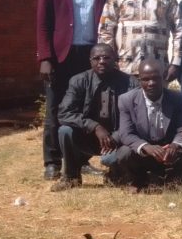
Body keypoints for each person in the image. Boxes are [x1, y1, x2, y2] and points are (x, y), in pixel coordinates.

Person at [36, 0, 108, 180]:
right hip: (61, 55)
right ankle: (52, 162)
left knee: (87, 108)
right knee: (55, 108)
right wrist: (45, 57)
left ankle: (79, 159)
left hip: (88, 55)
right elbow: (43, 23)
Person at [53, 43, 134, 192]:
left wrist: (115, 136)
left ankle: (116, 174)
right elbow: (64, 113)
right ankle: (71, 177)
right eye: (97, 58)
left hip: (118, 139)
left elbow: (134, 118)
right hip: (87, 137)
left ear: (115, 59)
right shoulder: (78, 81)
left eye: (106, 57)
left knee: (130, 142)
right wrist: (94, 126)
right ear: (90, 61)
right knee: (65, 131)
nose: (101, 61)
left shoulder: (129, 83)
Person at [98, 0, 182, 79]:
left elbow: (179, 31)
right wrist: (109, 61)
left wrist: (175, 63)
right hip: (124, 70)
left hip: (158, 71)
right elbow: (105, 31)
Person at [111, 59, 182, 191]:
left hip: (167, 152)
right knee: (124, 153)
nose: (151, 83)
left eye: (156, 78)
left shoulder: (176, 98)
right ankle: (137, 180)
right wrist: (146, 147)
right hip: (142, 152)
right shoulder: (126, 100)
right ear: (139, 79)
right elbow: (126, 133)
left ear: (164, 76)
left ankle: (170, 181)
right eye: (146, 79)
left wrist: (175, 145)